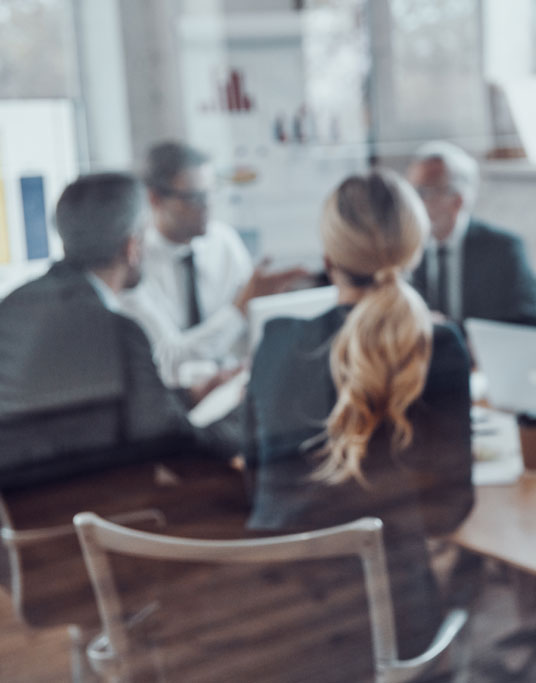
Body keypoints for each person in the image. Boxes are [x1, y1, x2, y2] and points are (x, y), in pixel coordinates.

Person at [243, 169, 474, 666]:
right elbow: (447, 511)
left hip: (276, 627)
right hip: (392, 629)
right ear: (413, 252)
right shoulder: (440, 347)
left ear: (328, 259)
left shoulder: (276, 341)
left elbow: (257, 488)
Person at [0, 173, 240, 488]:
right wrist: (249, 409)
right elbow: (178, 449)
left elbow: (87, 412)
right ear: (131, 246)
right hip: (92, 515)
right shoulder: (117, 331)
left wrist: (188, 395)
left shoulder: (12, 307)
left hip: (19, 517)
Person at [120, 141, 307, 386]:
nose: (207, 206)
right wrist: (239, 310)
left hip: (233, 388)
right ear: (155, 198)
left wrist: (270, 303)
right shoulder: (134, 264)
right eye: (194, 197)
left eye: (211, 193)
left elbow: (251, 331)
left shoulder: (224, 242)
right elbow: (170, 360)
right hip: (174, 400)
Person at [407, 141, 536, 327]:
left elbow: (530, 321)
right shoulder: (405, 248)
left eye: (422, 192)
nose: (411, 203)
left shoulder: (504, 249)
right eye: (409, 192)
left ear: (457, 201)